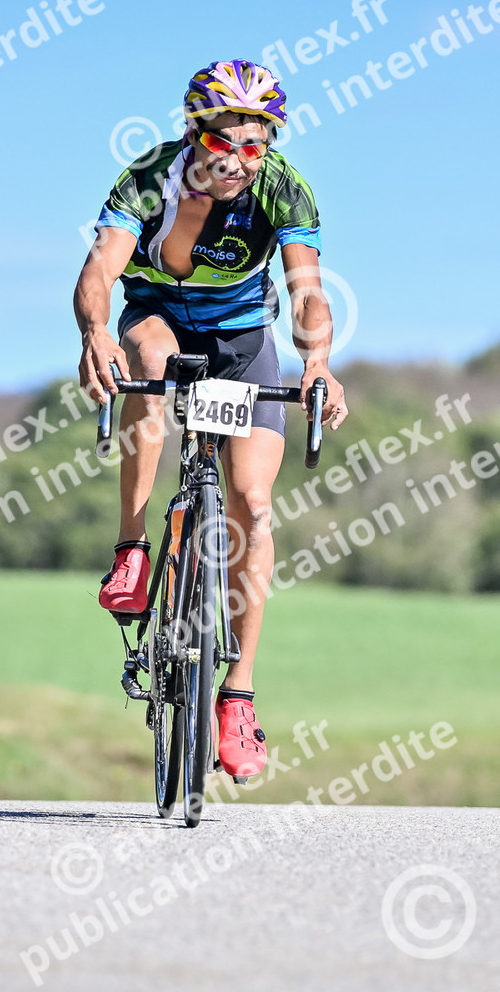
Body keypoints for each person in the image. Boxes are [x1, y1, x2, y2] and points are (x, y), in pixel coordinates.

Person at [73, 59, 347, 780]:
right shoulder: (149, 178)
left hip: (242, 340)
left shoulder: (282, 186)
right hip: (157, 316)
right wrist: (95, 334)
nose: (237, 160)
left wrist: (317, 362)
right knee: (151, 362)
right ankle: (133, 547)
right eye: (222, 141)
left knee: (253, 504)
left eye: (253, 145)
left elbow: (306, 292)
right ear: (195, 134)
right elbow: (100, 271)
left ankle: (238, 696)